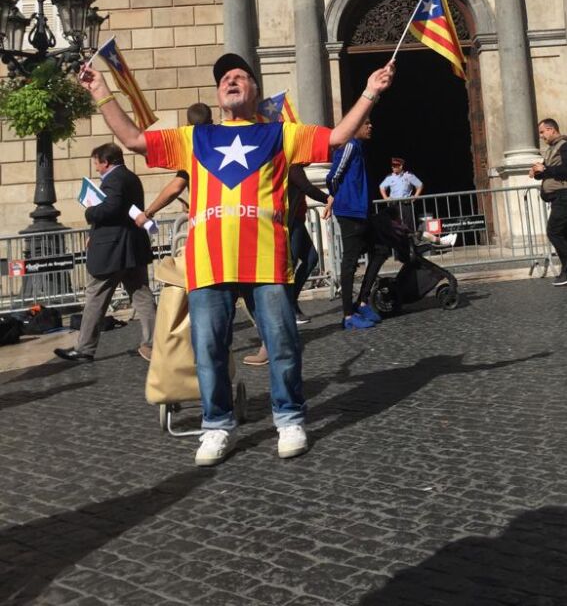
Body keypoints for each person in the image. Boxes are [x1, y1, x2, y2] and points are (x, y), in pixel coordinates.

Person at [78, 52, 395, 464]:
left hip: (266, 260)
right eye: (225, 77)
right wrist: (101, 91)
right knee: (208, 348)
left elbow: (336, 138)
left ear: (254, 91)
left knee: (281, 344)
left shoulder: (281, 134)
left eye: (241, 76)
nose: (231, 80)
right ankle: (216, 425)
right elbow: (135, 140)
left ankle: (289, 417)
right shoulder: (196, 137)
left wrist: (370, 92)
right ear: (217, 93)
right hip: (209, 264)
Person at [54, 143, 156, 363]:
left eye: (97, 163)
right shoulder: (131, 177)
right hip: (133, 248)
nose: (96, 168)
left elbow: (111, 208)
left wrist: (90, 212)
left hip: (113, 250)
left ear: (106, 162)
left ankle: (84, 349)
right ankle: (155, 342)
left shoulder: (114, 180)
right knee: (142, 296)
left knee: (95, 298)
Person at [243, 164, 331, 367]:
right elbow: (306, 187)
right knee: (272, 282)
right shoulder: (291, 164)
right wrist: (328, 197)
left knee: (309, 259)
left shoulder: (292, 164)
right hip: (279, 226)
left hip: (291, 222)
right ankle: (272, 339)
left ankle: (284, 320)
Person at [327, 119, 390, 330]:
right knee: (350, 261)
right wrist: (340, 197)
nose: (371, 126)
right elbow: (333, 176)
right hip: (350, 211)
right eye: (366, 123)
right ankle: (347, 315)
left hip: (362, 211)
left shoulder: (361, 148)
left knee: (381, 249)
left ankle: (362, 301)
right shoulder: (350, 145)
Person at [134, 103, 213, 228]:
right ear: (212, 121)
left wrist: (148, 213)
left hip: (207, 220)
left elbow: (176, 187)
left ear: (187, 125)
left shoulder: (194, 150)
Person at [530, 118, 567, 286]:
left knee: (554, 231)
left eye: (542, 132)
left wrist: (544, 169)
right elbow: (545, 173)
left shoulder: (564, 145)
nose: (541, 136)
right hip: (557, 197)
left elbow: (565, 170)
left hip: (564, 196)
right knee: (562, 233)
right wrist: (536, 171)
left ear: (552, 129)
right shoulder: (551, 150)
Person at [379, 157, 423, 231]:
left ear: (401, 166)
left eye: (395, 165)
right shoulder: (390, 177)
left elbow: (420, 185)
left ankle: (409, 240)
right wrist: (385, 198)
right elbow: (381, 187)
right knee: (394, 225)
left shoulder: (409, 175)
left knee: (408, 225)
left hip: (405, 205)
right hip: (394, 205)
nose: (393, 167)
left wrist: (415, 197)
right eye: (392, 165)